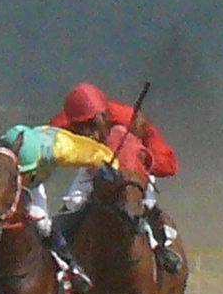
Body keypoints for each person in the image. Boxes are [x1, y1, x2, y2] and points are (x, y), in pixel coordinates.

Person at [0, 121, 119, 293]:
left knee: (43, 223)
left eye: (30, 172)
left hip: (32, 190)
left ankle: (70, 266)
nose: (26, 177)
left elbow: (98, 154)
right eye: (22, 173)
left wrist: (112, 168)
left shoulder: (57, 145)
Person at [51, 81, 184, 273]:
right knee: (73, 203)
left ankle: (161, 246)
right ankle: (59, 255)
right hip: (96, 166)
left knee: (144, 203)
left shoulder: (132, 119)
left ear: (105, 116)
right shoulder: (62, 123)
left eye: (92, 124)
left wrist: (146, 158)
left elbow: (170, 165)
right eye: (80, 128)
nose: (89, 133)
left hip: (134, 170)